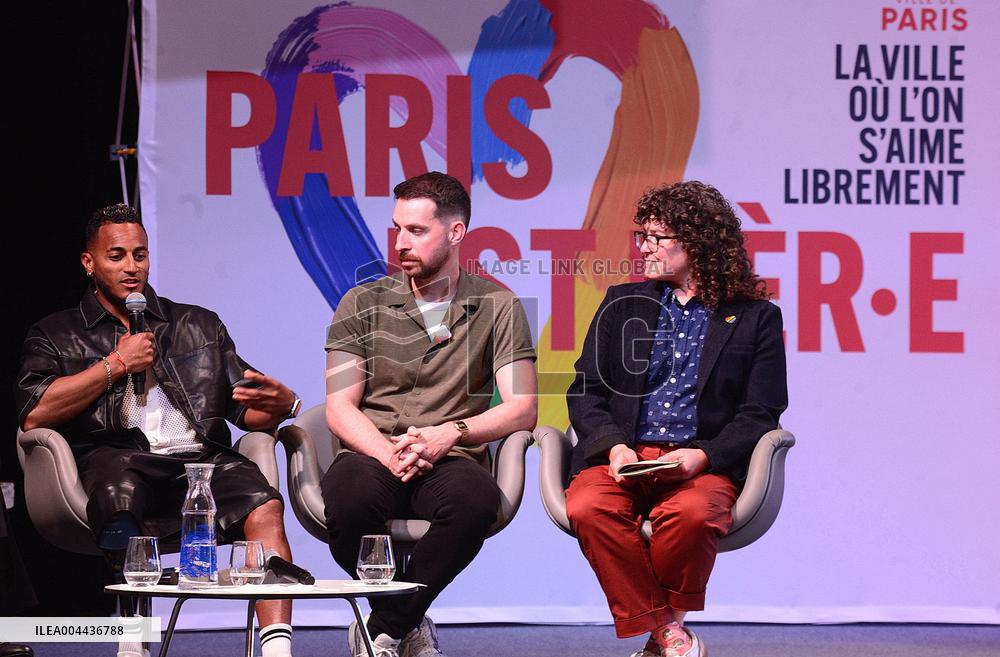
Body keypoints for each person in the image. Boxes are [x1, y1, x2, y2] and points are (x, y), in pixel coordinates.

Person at [15, 204, 300, 657]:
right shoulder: (55, 333)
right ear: (89, 263)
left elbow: (248, 412)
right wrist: (114, 365)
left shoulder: (197, 324)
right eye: (117, 256)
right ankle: (133, 640)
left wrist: (285, 406)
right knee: (117, 487)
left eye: (140, 255)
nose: (132, 267)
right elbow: (34, 414)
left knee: (263, 501)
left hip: (198, 459)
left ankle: (278, 648)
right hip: (116, 457)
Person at [565, 181, 788, 657]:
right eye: (640, 234)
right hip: (623, 455)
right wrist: (614, 447)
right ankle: (669, 634)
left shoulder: (755, 318)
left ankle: (658, 637)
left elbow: (761, 412)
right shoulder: (623, 303)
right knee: (587, 507)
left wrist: (703, 455)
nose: (641, 246)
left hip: (698, 462)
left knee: (691, 514)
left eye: (654, 237)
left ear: (697, 240)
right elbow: (586, 389)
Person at [322, 172, 537, 657]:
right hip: (372, 450)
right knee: (349, 499)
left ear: (456, 233)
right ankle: (406, 623)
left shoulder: (498, 306)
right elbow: (339, 406)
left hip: (451, 455)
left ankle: (386, 626)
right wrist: (388, 454)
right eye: (397, 229)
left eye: (417, 231)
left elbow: (522, 407)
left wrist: (450, 433)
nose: (401, 243)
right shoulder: (362, 302)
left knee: (475, 502)